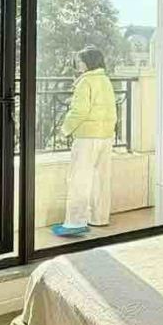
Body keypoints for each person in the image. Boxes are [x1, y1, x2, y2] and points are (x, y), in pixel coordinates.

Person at [51, 46, 117, 236]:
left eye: (80, 61)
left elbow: (79, 111)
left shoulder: (85, 82)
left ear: (89, 62)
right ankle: (99, 218)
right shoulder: (105, 80)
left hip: (87, 136)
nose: (78, 64)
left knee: (79, 179)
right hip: (106, 135)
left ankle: (74, 222)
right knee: (100, 179)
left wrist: (64, 130)